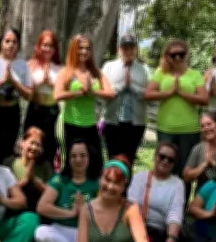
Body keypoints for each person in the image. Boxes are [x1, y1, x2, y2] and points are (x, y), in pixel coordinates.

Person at [144, 39, 207, 188]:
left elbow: (204, 99)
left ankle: (181, 206)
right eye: (173, 55)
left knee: (185, 170)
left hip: (189, 130)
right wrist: (169, 92)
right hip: (166, 129)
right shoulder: (161, 73)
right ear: (167, 56)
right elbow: (147, 94)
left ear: (186, 55)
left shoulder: (195, 74)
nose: (177, 58)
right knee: (164, 168)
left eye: (181, 54)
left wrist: (180, 93)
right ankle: (163, 204)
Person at [35, 139, 100, 242]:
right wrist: (71, 213)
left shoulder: (96, 182)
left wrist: (85, 212)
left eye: (82, 155)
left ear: (89, 157)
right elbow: (42, 207)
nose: (78, 160)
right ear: (68, 158)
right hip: (61, 230)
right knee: (40, 233)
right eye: (73, 156)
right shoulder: (60, 180)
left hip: (86, 232)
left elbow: (104, 213)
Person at [54, 34, 114, 173]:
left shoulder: (95, 72)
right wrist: (78, 93)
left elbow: (110, 93)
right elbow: (57, 95)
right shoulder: (67, 72)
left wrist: (92, 92)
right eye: (80, 48)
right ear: (74, 49)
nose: (84, 51)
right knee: (71, 166)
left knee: (96, 164)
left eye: (87, 48)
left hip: (90, 126)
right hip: (70, 125)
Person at [127, 142, 184, 242]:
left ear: (174, 164)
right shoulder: (140, 177)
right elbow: (131, 206)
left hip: (160, 232)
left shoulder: (177, 184)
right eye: (162, 156)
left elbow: (175, 213)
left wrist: (172, 237)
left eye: (170, 160)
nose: (165, 161)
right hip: (137, 227)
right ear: (155, 156)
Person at [0, 28, 33, 163]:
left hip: (12, 111)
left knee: (8, 148)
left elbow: (29, 95)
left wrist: (14, 82)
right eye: (7, 41)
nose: (11, 45)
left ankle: (5, 178)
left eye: (14, 42)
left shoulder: (23, 65)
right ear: (1, 43)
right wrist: (1, 83)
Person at [101, 32, 150, 165]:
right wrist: (122, 86)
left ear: (136, 49)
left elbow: (149, 95)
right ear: (119, 49)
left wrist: (133, 87)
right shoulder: (108, 67)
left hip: (135, 123)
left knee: (129, 159)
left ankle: (127, 185)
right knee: (112, 158)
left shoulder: (144, 69)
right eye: (125, 47)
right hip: (112, 121)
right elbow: (103, 92)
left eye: (131, 47)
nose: (128, 50)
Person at [26, 30, 63, 164]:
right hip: (35, 109)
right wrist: (39, 84)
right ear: (39, 46)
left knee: (50, 146)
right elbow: (25, 91)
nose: (48, 49)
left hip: (52, 110)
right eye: (45, 45)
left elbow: (62, 93)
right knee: (31, 142)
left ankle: (48, 176)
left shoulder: (60, 68)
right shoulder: (30, 65)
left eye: (51, 46)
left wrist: (50, 84)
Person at [4, 127, 54, 212]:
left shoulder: (45, 165)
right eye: (32, 143)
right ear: (22, 143)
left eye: (38, 145)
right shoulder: (10, 162)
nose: (34, 147)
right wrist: (25, 181)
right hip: (12, 209)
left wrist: (33, 179)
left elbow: (51, 193)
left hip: (37, 210)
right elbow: (4, 191)